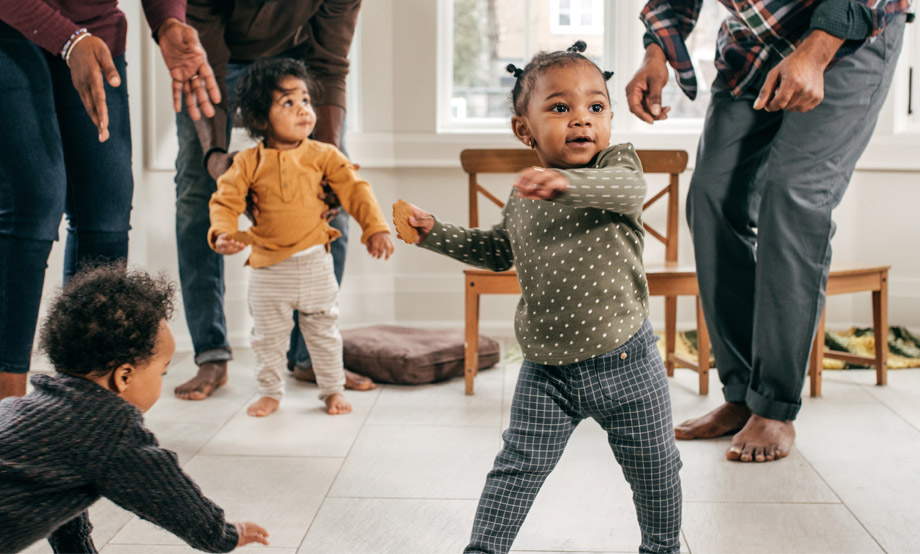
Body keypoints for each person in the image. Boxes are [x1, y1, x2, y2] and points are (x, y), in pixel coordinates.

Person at [403, 42, 682, 554]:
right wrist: (433, 233)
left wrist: (567, 182)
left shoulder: (616, 165)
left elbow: (628, 191)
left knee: (655, 466)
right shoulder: (523, 193)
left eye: (596, 107)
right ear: (523, 128)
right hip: (547, 368)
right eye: (560, 107)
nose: (582, 119)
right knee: (516, 467)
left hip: (628, 360)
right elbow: (495, 251)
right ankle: (483, 549)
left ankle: (662, 547)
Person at [626, 0, 912, 463]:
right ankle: (742, 394)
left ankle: (774, 405)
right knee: (712, 198)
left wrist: (817, 51)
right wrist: (655, 53)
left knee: (793, 197)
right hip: (755, 44)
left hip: (851, 34)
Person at [0, 1, 220, 402]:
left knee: (107, 209)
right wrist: (68, 40)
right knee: (34, 199)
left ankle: (86, 405)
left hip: (95, 33)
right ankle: (7, 414)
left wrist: (168, 21)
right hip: (7, 29)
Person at [173, 0, 375, 401]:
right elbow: (203, 61)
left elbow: (330, 64)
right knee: (198, 202)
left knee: (335, 201)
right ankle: (211, 354)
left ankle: (311, 357)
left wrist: (327, 162)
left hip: (299, 62)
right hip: (210, 62)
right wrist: (216, 155)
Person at [0, 264, 270, 553]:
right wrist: (223, 534)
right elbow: (168, 494)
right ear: (124, 376)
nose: (161, 382)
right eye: (161, 373)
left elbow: (59, 493)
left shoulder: (28, 409)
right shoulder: (109, 428)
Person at [208, 59, 393, 418]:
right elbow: (225, 200)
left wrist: (376, 227)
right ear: (261, 120)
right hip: (266, 270)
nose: (304, 111)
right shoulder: (247, 162)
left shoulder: (325, 155)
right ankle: (270, 392)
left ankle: (332, 390)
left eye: (306, 101)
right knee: (267, 339)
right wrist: (222, 233)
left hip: (315, 265)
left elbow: (356, 191)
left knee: (324, 333)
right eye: (289, 103)